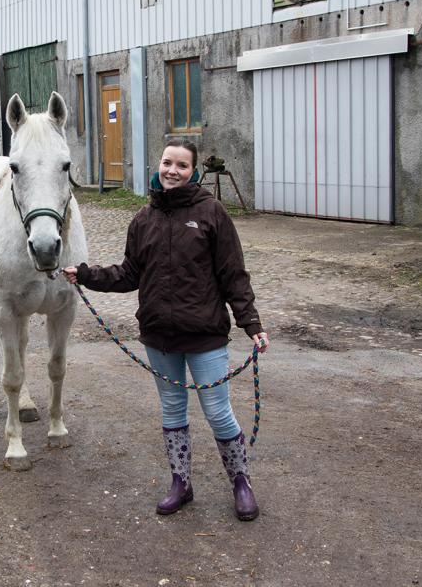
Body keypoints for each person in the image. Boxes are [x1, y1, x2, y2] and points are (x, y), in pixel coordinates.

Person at [63, 138, 268, 520]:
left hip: (204, 335)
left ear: (193, 172)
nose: (172, 171)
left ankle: (241, 482)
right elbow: (129, 274)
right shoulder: (143, 219)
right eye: (167, 163)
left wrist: (251, 323)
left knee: (218, 412)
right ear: (158, 166)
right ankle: (181, 482)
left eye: (182, 165)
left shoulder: (212, 214)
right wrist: (87, 274)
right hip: (159, 336)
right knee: (173, 411)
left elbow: (232, 274)